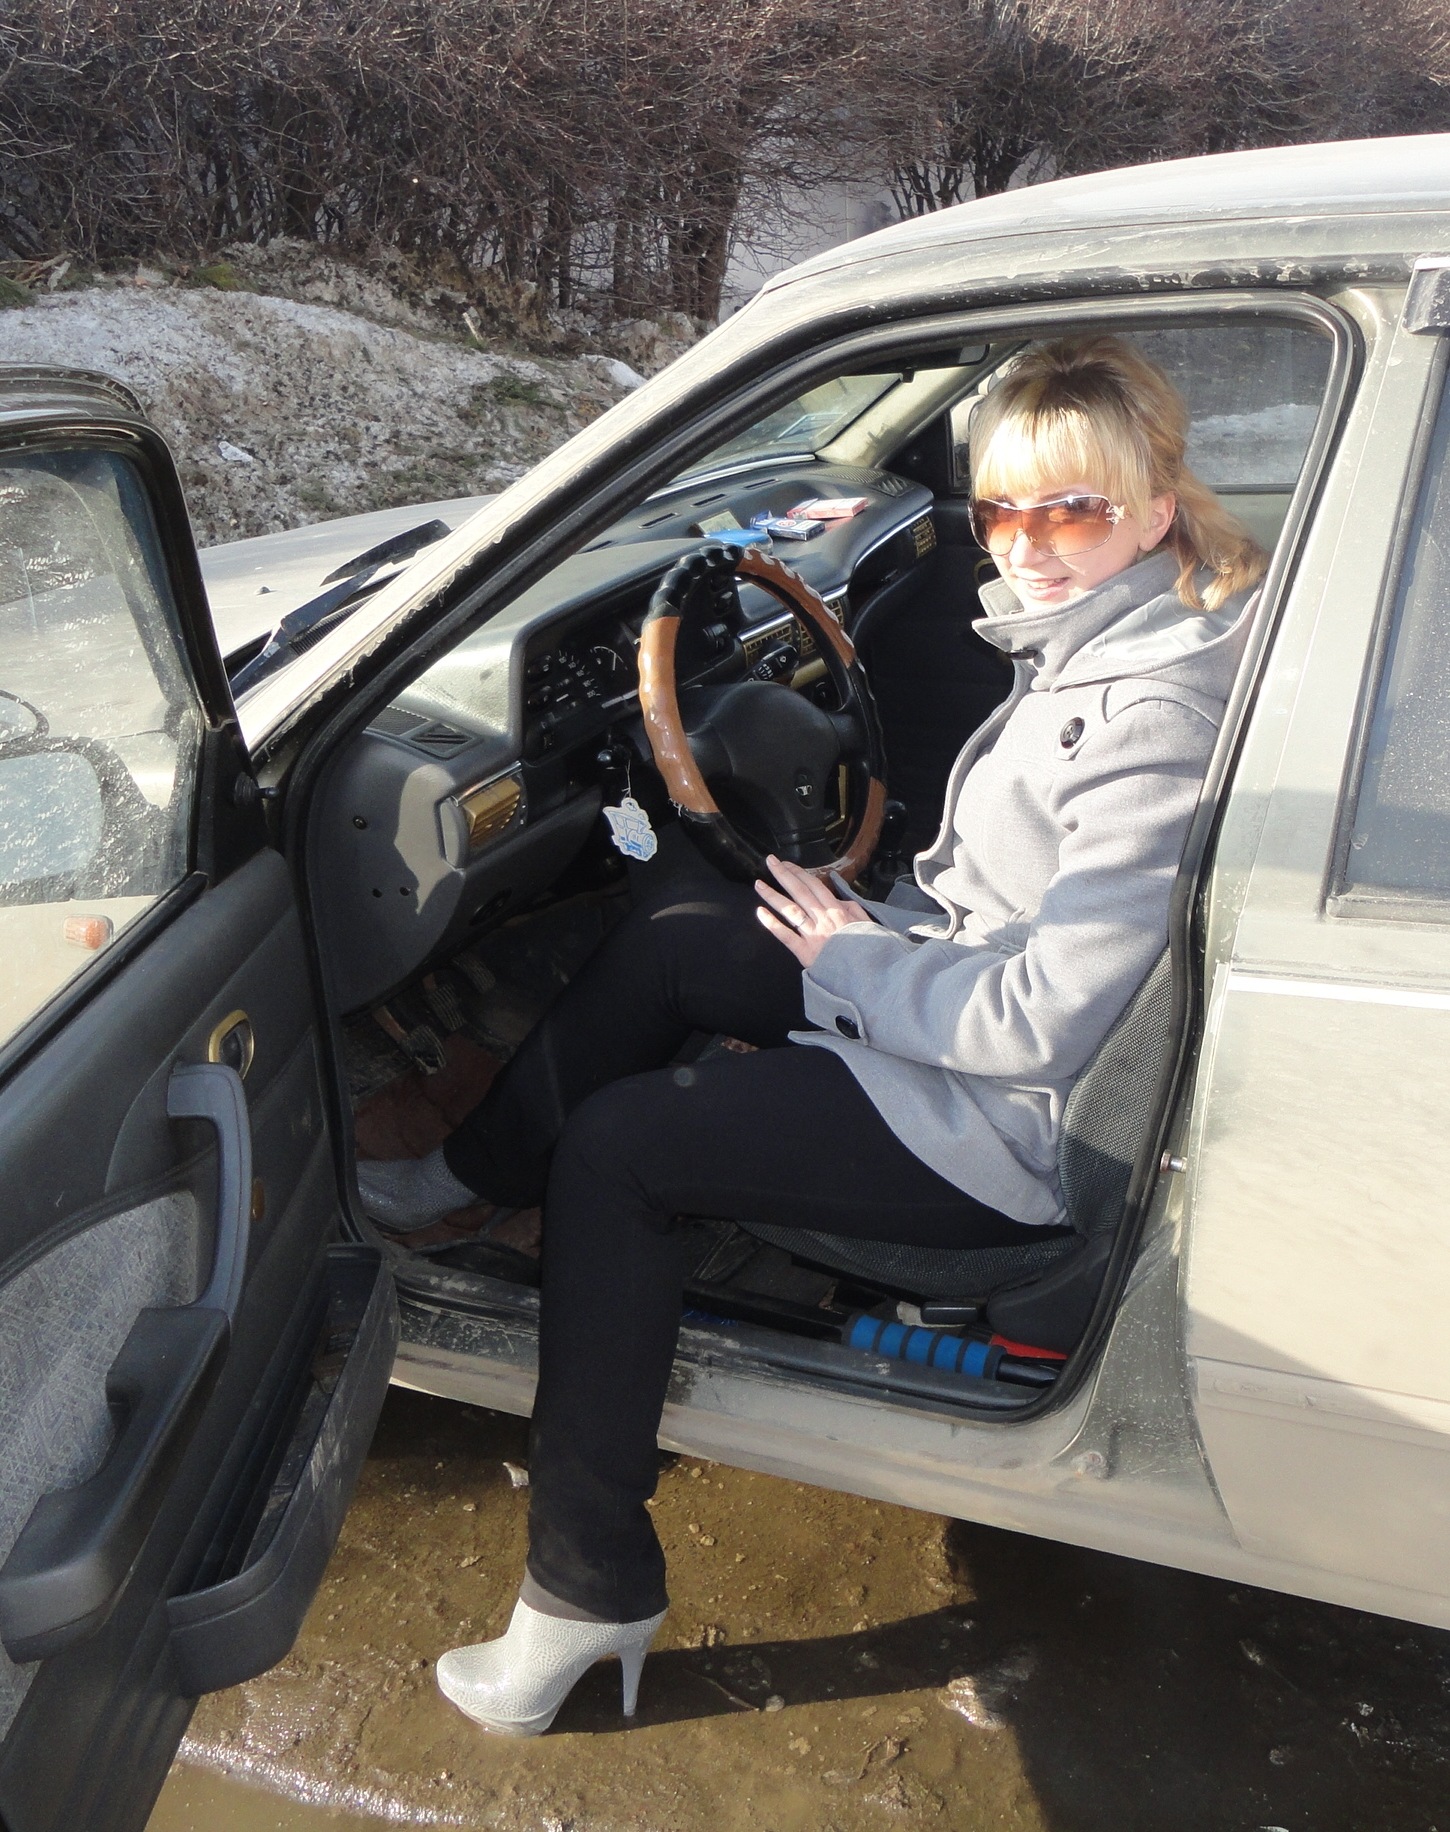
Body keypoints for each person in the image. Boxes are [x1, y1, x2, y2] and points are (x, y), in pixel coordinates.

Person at [357, 335, 1268, 1735]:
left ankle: (585, 1586)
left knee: (622, 1150)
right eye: (1003, 509)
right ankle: (466, 1176)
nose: (1027, 546)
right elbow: (1009, 913)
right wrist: (869, 924)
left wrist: (856, 967)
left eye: (1072, 510)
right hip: (953, 1004)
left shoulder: (1147, 710)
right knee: (686, 925)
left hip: (1006, 1128)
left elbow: (1043, 1017)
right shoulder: (1118, 633)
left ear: (1153, 507)